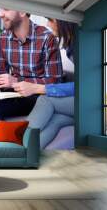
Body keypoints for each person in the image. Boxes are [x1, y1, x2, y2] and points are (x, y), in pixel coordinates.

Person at [0, 9, 63, 122]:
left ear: (23, 12)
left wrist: (16, 80)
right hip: (12, 92)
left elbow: (54, 83)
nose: (0, 14)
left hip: (35, 95)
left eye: (6, 9)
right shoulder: (3, 38)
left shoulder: (47, 38)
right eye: (0, 10)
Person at [12, 18, 77, 149]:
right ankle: (27, 155)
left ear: (65, 22)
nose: (47, 24)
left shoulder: (82, 46)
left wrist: (39, 88)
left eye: (51, 20)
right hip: (83, 106)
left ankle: (14, 141)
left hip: (93, 105)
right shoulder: (71, 46)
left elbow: (85, 86)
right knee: (55, 120)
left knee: (46, 100)